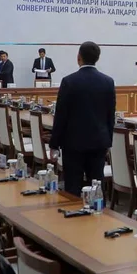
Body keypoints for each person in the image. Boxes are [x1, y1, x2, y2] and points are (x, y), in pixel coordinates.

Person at [49, 41, 116, 196]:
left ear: (78, 57)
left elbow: (61, 116)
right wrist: (108, 141)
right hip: (99, 143)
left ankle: (74, 211)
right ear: (97, 58)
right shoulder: (108, 82)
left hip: (73, 144)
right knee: (96, 188)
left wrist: (54, 144)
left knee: (72, 188)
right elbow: (110, 116)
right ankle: (97, 211)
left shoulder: (69, 81)